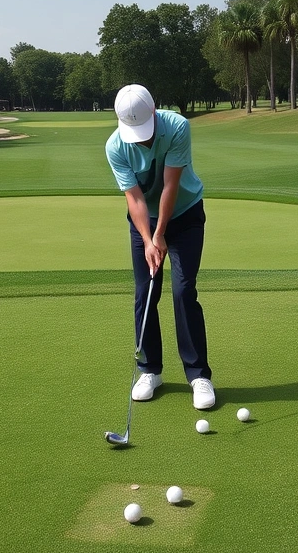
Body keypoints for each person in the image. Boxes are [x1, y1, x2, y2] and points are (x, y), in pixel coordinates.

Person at [105, 84, 214, 410]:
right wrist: (149, 236)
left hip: (184, 215)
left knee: (183, 290)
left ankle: (198, 375)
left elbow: (170, 185)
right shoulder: (115, 146)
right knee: (146, 291)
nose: (142, 139)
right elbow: (135, 198)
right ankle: (149, 370)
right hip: (143, 222)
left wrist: (161, 233)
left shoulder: (177, 127)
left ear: (154, 112)